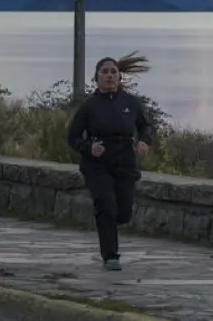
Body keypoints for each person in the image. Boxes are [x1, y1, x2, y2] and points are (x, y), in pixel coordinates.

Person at [66, 56, 154, 271]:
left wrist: (144, 141)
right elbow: (73, 137)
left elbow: (146, 127)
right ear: (96, 77)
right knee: (106, 205)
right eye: (105, 72)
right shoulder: (89, 106)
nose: (110, 76)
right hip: (97, 164)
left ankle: (111, 232)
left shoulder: (131, 103)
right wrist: (88, 148)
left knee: (122, 212)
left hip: (125, 162)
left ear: (119, 76)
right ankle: (110, 256)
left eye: (113, 72)